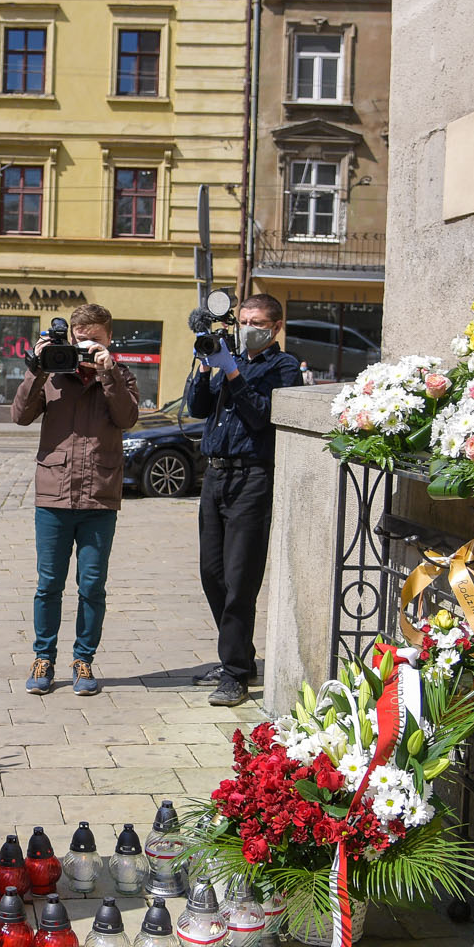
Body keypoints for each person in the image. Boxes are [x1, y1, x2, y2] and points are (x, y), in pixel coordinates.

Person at [10, 305, 141, 697]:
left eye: (94, 340)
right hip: (54, 494)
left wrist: (108, 373)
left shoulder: (121, 375)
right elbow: (20, 415)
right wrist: (36, 368)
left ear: (108, 339)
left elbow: (127, 419)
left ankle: (83, 660)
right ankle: (43, 658)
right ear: (69, 337)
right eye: (79, 339)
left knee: (92, 586)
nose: (85, 346)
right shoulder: (53, 373)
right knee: (49, 584)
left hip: (99, 496)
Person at [186, 293, 304, 707]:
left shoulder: (283, 367)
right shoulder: (226, 358)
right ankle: (237, 656)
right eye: (244, 321)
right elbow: (197, 408)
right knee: (211, 573)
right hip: (215, 475)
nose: (248, 328)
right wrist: (205, 366)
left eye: (257, 322)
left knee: (240, 579)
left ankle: (235, 674)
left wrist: (234, 374)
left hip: (252, 478)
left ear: (275, 328)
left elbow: (261, 416)